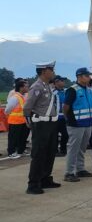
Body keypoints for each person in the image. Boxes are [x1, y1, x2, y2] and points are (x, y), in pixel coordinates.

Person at [22, 61, 60, 194]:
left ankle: (45, 178)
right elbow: (27, 107)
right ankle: (33, 184)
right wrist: (29, 121)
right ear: (44, 71)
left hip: (50, 123)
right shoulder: (37, 87)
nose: (53, 71)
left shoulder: (48, 86)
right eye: (51, 69)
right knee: (39, 154)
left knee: (50, 152)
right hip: (41, 123)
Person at [62, 67, 92, 182]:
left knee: (82, 148)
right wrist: (69, 120)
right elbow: (65, 107)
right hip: (76, 124)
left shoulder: (88, 90)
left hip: (88, 123)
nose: (89, 78)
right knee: (73, 148)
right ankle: (69, 172)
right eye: (87, 76)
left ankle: (80, 169)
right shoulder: (73, 90)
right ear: (79, 77)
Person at [5, 79, 30, 159]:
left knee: (22, 137)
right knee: (13, 138)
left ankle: (20, 151)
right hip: (15, 121)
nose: (27, 88)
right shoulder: (15, 97)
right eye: (26, 86)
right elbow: (7, 109)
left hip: (22, 121)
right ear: (21, 88)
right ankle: (11, 152)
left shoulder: (22, 97)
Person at [53, 76, 68, 157]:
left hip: (64, 117)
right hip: (55, 117)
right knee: (54, 135)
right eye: (62, 81)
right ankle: (55, 151)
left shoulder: (65, 91)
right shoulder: (53, 93)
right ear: (57, 82)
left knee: (65, 134)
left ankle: (63, 149)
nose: (63, 82)